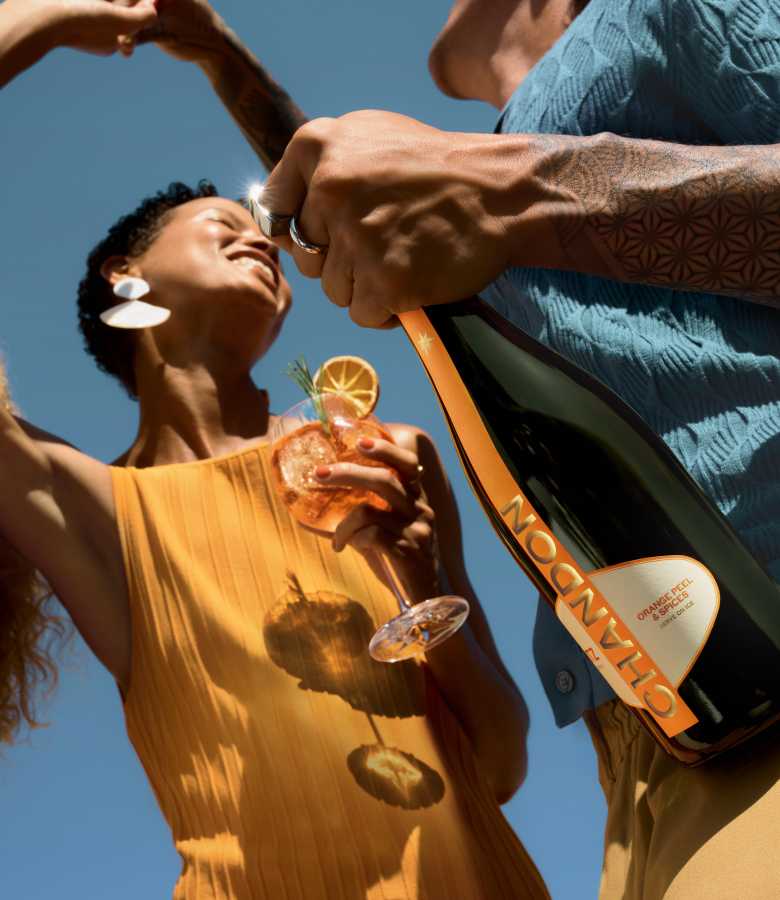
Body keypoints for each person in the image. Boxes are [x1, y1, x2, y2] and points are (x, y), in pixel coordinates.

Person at [133, 0, 780, 897]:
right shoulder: (500, 160)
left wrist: (520, 190)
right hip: (652, 746)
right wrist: (222, 57)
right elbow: (330, 204)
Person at [0, 2, 550, 898]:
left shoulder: (386, 453)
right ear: (126, 284)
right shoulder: (94, 512)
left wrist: (417, 575)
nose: (258, 230)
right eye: (217, 218)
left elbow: (500, 761)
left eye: (260, 223)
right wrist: (39, 20)